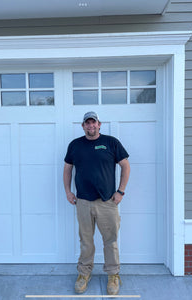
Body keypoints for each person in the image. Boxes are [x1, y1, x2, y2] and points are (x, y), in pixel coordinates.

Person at [63, 111, 130, 295]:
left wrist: (120, 191)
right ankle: (84, 274)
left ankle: (113, 275)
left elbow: (125, 165)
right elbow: (68, 169)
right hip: (83, 201)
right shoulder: (75, 145)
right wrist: (68, 192)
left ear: (99, 124)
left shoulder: (111, 143)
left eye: (94, 123)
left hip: (107, 202)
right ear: (83, 126)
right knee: (86, 240)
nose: (91, 126)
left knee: (110, 240)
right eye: (87, 123)